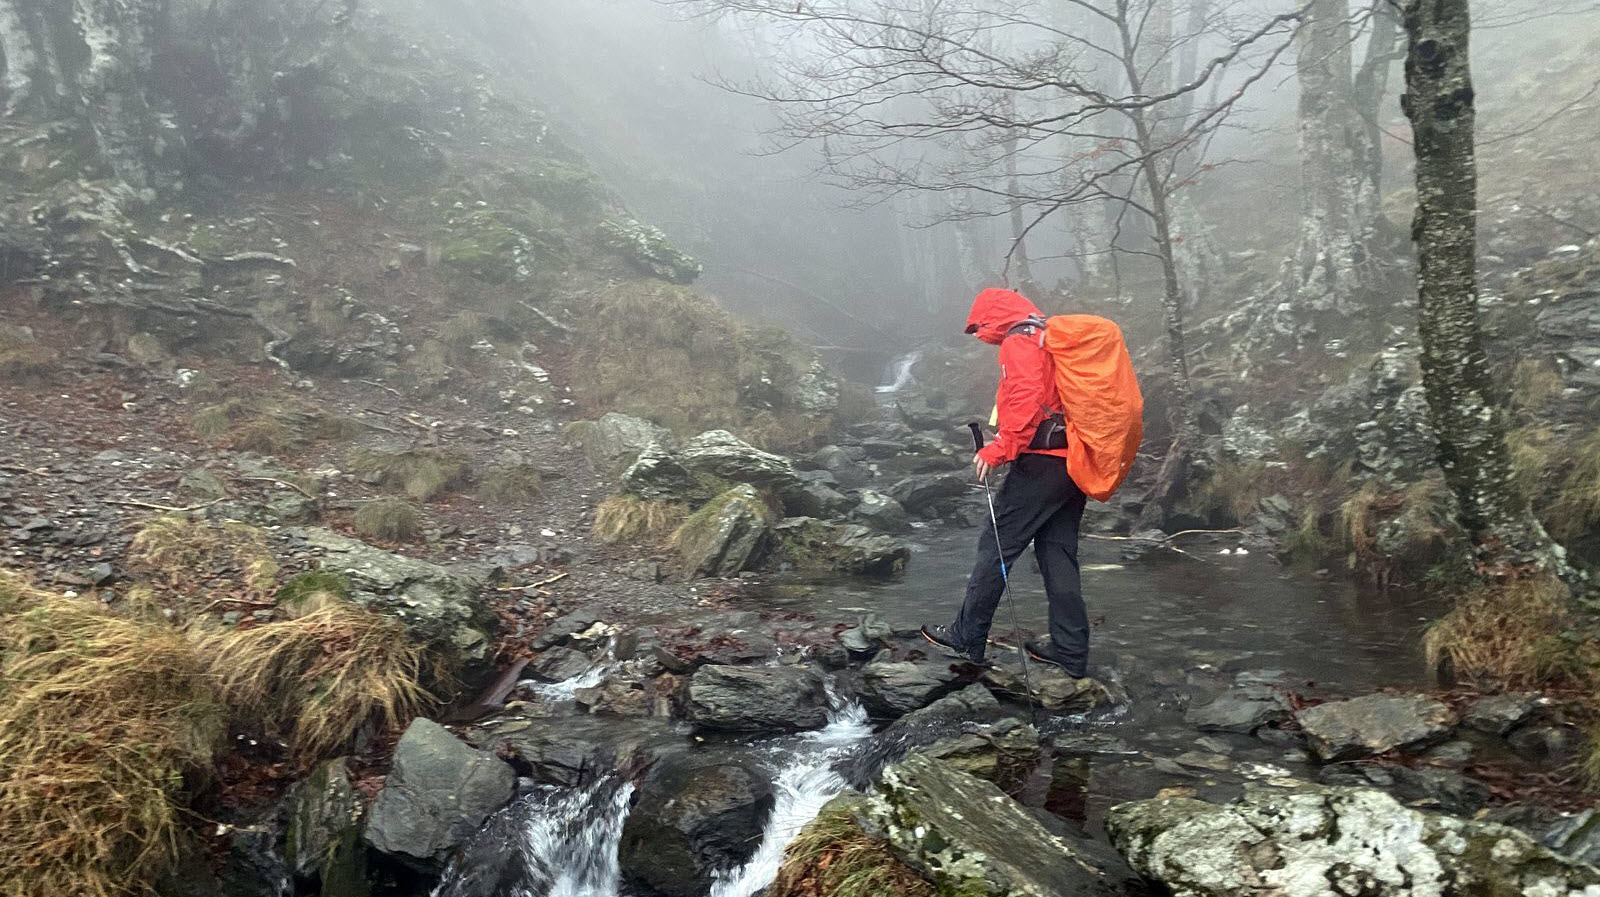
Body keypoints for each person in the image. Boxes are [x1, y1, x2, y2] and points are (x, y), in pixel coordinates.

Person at [921, 287, 1089, 678]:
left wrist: (999, 450)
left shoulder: (1019, 341)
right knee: (1057, 553)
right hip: (1073, 462)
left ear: (994, 316)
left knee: (995, 544)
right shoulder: (1046, 336)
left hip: (1041, 464)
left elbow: (1027, 397)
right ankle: (1071, 652)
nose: (981, 336)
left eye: (980, 327)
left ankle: (968, 635)